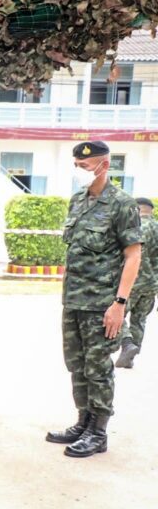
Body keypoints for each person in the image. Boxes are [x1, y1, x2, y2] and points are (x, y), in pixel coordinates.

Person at [45, 141, 141, 458]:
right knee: (77, 365)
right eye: (76, 165)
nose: (79, 171)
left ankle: (98, 433)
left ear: (104, 165)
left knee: (98, 369)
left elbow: (133, 256)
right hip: (73, 300)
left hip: (102, 303)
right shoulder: (78, 200)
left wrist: (119, 304)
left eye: (85, 166)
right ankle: (83, 423)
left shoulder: (123, 204)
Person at [115, 197, 157, 369]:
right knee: (139, 320)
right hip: (151, 284)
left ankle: (127, 343)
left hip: (132, 281)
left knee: (117, 314)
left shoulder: (135, 227)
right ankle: (130, 356)